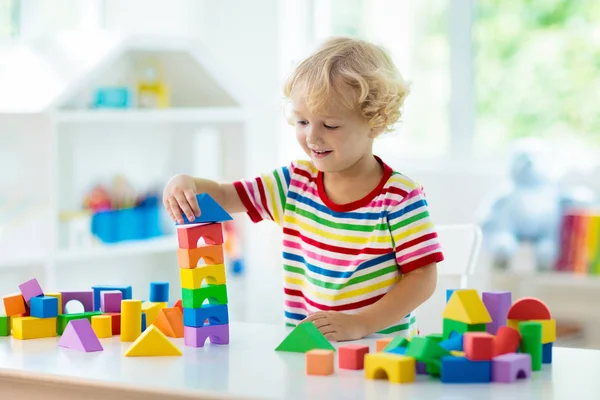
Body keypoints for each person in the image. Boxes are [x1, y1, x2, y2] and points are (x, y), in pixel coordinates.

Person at [163, 37, 444, 341]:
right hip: (310, 350)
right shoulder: (293, 183)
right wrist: (184, 183)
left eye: (330, 125)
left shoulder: (400, 196)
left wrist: (360, 323)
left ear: (376, 122)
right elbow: (225, 195)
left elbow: (422, 278)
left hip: (383, 354)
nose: (312, 137)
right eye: (302, 121)